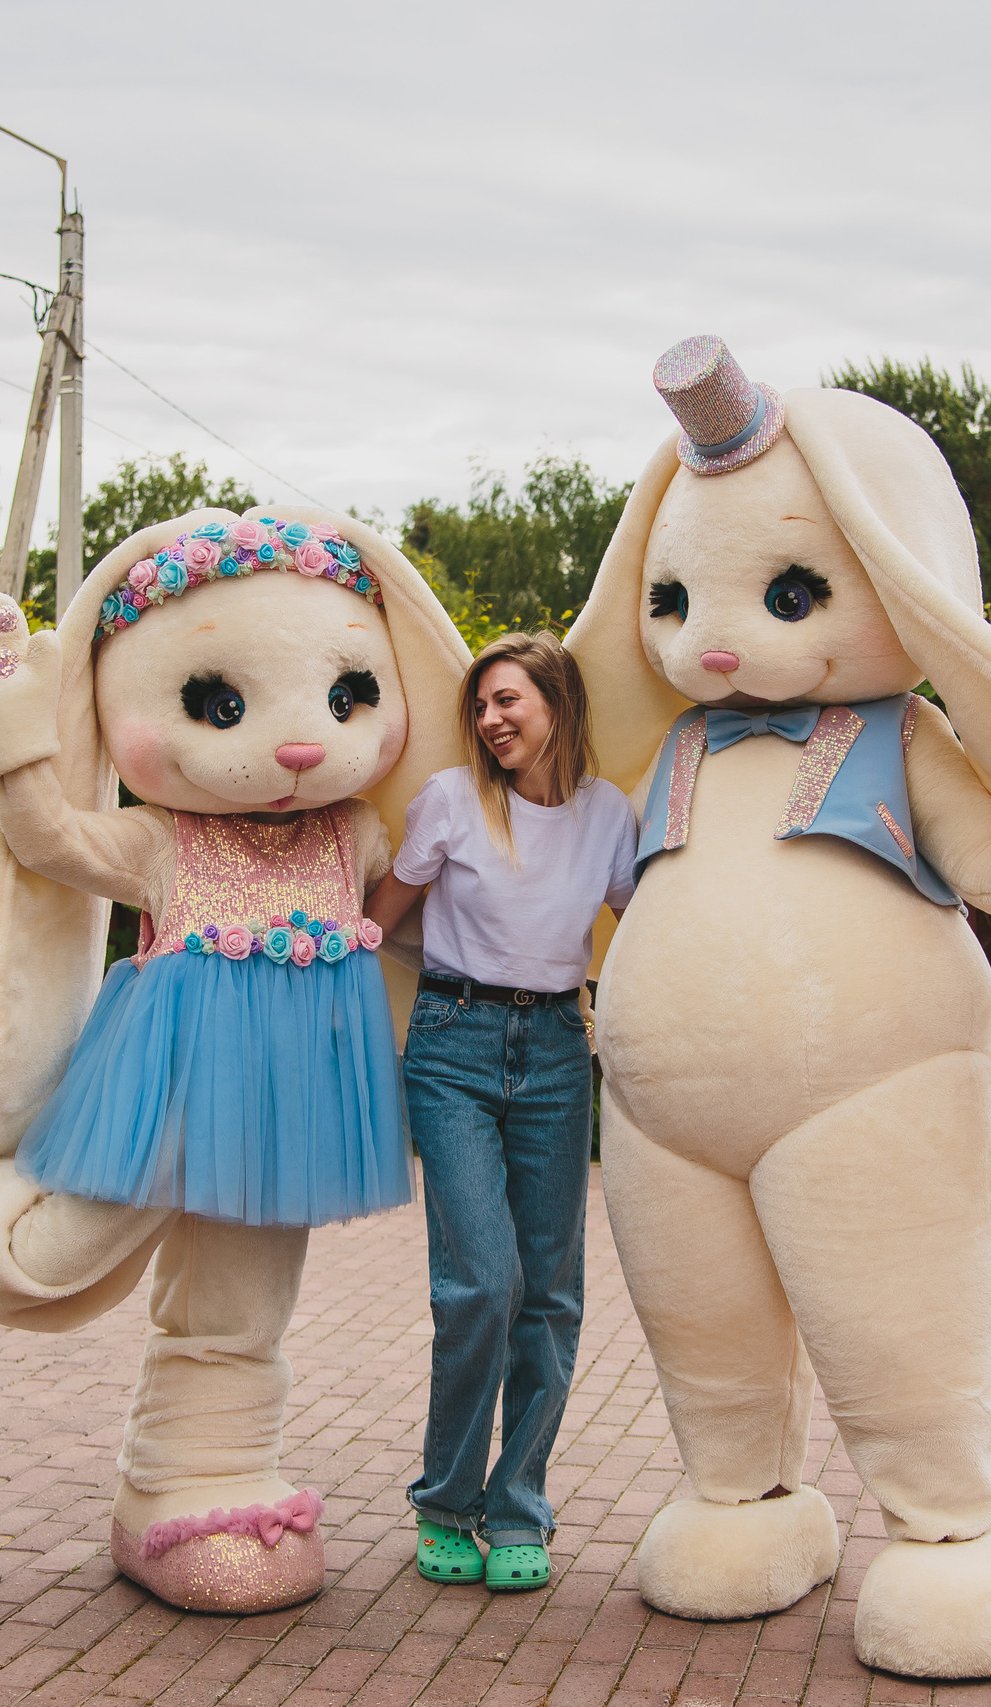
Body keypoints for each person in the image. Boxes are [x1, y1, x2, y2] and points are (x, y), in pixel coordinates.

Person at [365, 631, 637, 1592]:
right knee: (483, 1281)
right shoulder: (450, 800)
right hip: (452, 1048)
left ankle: (518, 1507)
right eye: (481, 705)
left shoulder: (610, 817)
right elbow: (375, 918)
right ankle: (445, 1503)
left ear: (558, 700)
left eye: (508, 700)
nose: (491, 720)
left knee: (551, 1294)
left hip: (562, 1053)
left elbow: (647, 927)